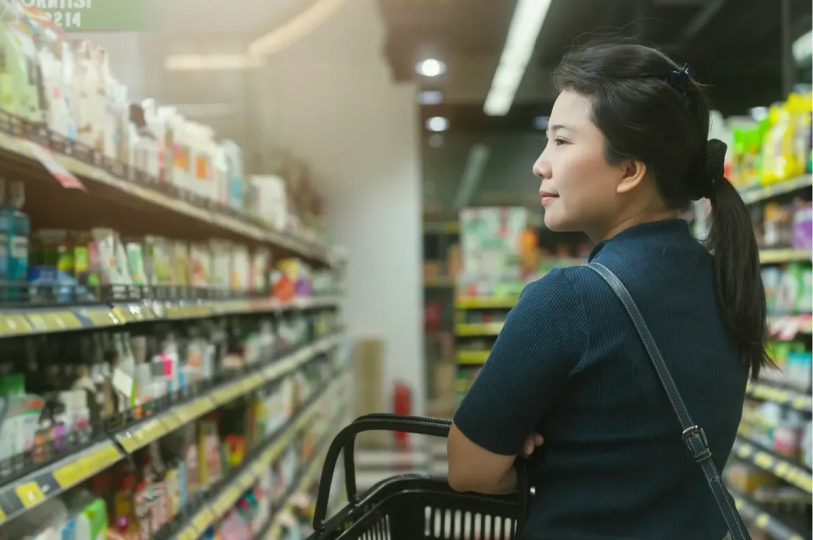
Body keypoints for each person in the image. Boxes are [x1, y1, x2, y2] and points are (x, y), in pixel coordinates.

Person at [446, 41, 770, 540]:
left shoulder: (568, 299)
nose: (540, 164)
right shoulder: (727, 281)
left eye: (561, 141)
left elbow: (469, 469)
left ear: (629, 170)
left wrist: (534, 456)